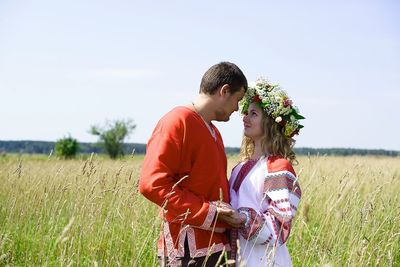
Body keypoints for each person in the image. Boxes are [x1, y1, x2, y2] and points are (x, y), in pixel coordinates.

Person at [139, 62, 248, 266]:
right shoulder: (177, 121)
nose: (237, 108)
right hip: (186, 249)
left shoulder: (215, 132)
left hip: (215, 247)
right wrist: (209, 212)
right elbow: (152, 184)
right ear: (224, 91)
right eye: (237, 99)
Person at [229, 78, 305, 266]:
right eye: (246, 112)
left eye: (253, 114)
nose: (245, 117)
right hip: (239, 257)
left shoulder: (278, 167)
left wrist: (240, 218)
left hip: (265, 260)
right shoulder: (240, 167)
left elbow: (280, 228)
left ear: (270, 123)